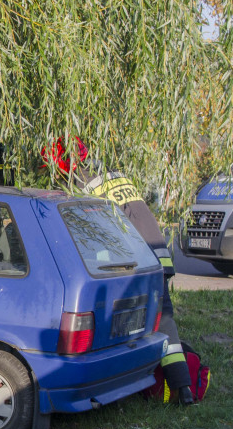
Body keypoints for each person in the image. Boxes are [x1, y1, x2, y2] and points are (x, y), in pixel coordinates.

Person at [41, 136, 195, 405]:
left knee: (156, 324)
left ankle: (177, 387)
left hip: (136, 261)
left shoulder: (81, 185)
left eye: (53, 168)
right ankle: (174, 386)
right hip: (156, 253)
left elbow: (89, 234)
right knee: (159, 320)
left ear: (64, 165)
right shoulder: (113, 176)